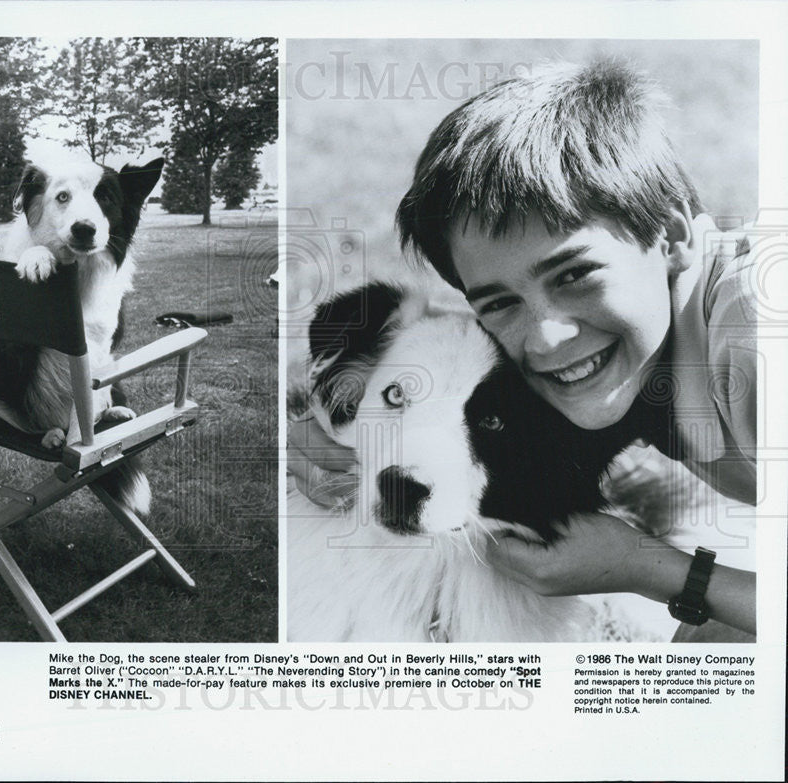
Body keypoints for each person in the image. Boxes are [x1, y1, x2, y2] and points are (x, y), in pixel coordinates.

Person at [289, 60, 757, 640]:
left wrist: (650, 568)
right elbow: (452, 361)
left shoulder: (756, 342)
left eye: (573, 275)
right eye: (499, 301)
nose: (545, 338)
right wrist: (331, 409)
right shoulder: (640, 345)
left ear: (672, 236)